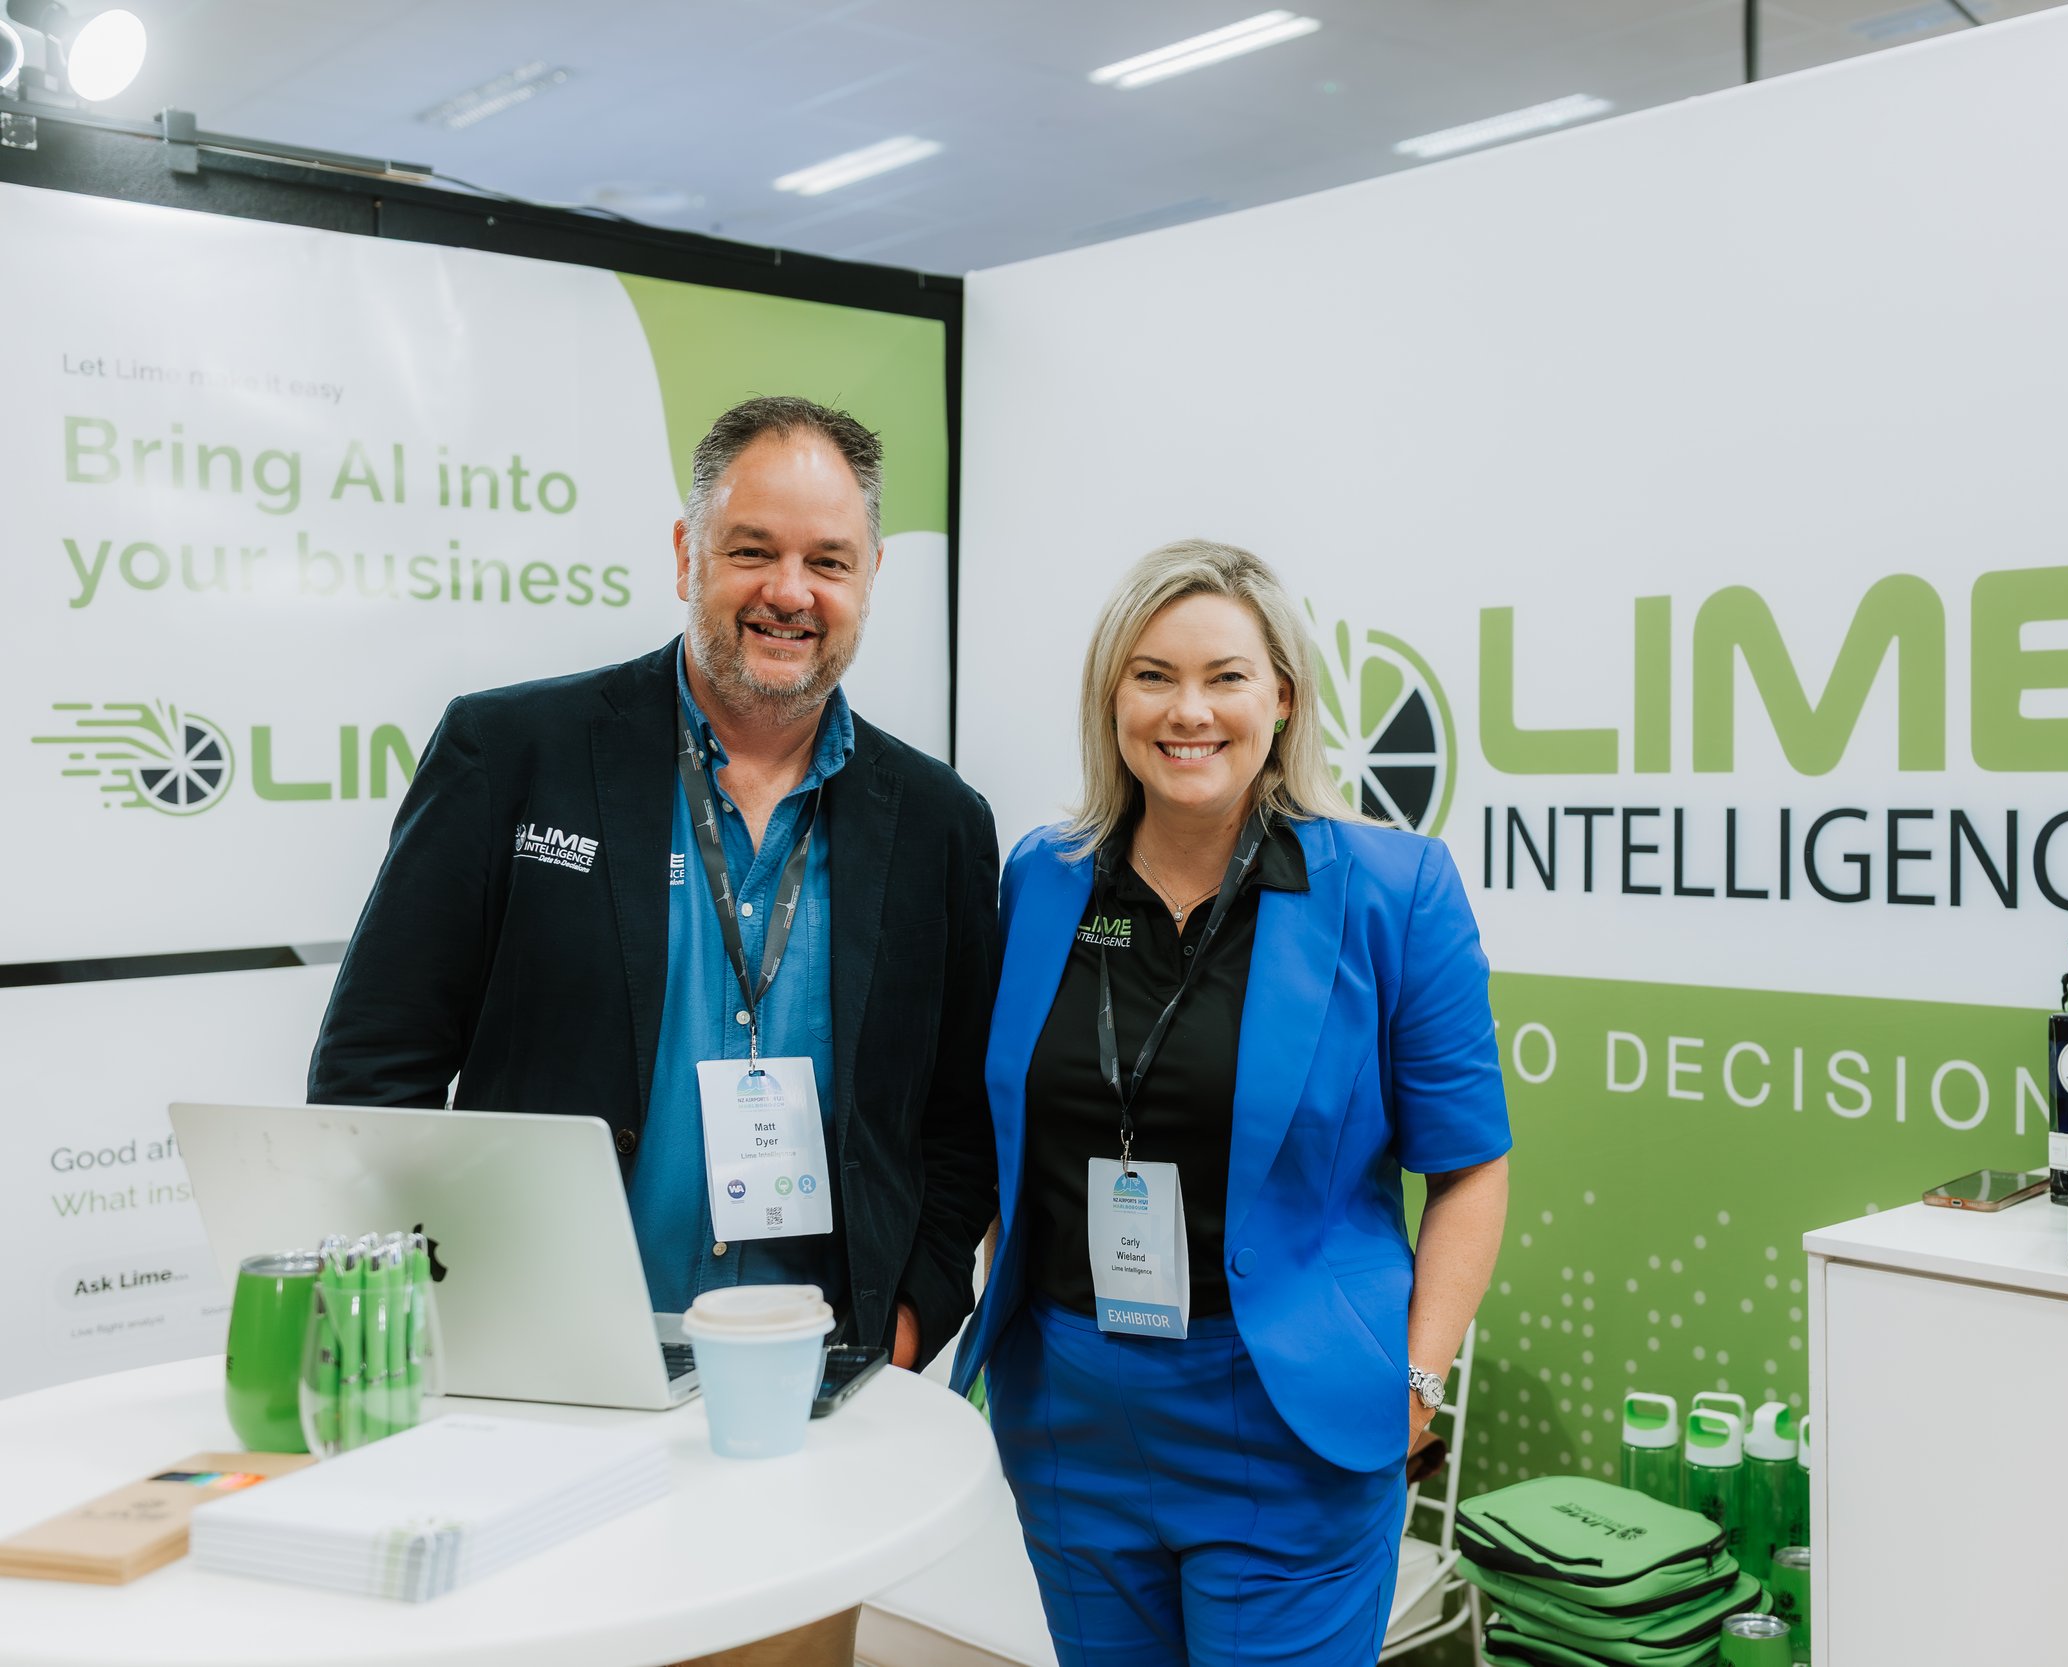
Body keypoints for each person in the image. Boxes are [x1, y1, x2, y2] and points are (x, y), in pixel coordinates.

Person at [310, 396, 999, 1667]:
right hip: (542, 1385)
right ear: (687, 551)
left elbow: (959, 1118)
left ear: (869, 577)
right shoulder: (514, 751)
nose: (788, 591)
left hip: (805, 1404)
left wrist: (899, 1327)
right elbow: (373, 1070)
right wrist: (428, 1334)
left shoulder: (940, 822)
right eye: (752, 549)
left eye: (827, 559)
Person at [950, 540, 1512, 1665]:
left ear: (1283, 697)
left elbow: (1469, 1167)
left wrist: (1419, 1373)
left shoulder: (1393, 891)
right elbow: (1007, 1132)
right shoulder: (1044, 877)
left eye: (1226, 676)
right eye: (1153, 675)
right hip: (1070, 1413)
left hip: (1286, 1417)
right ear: (1111, 697)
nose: (1188, 710)